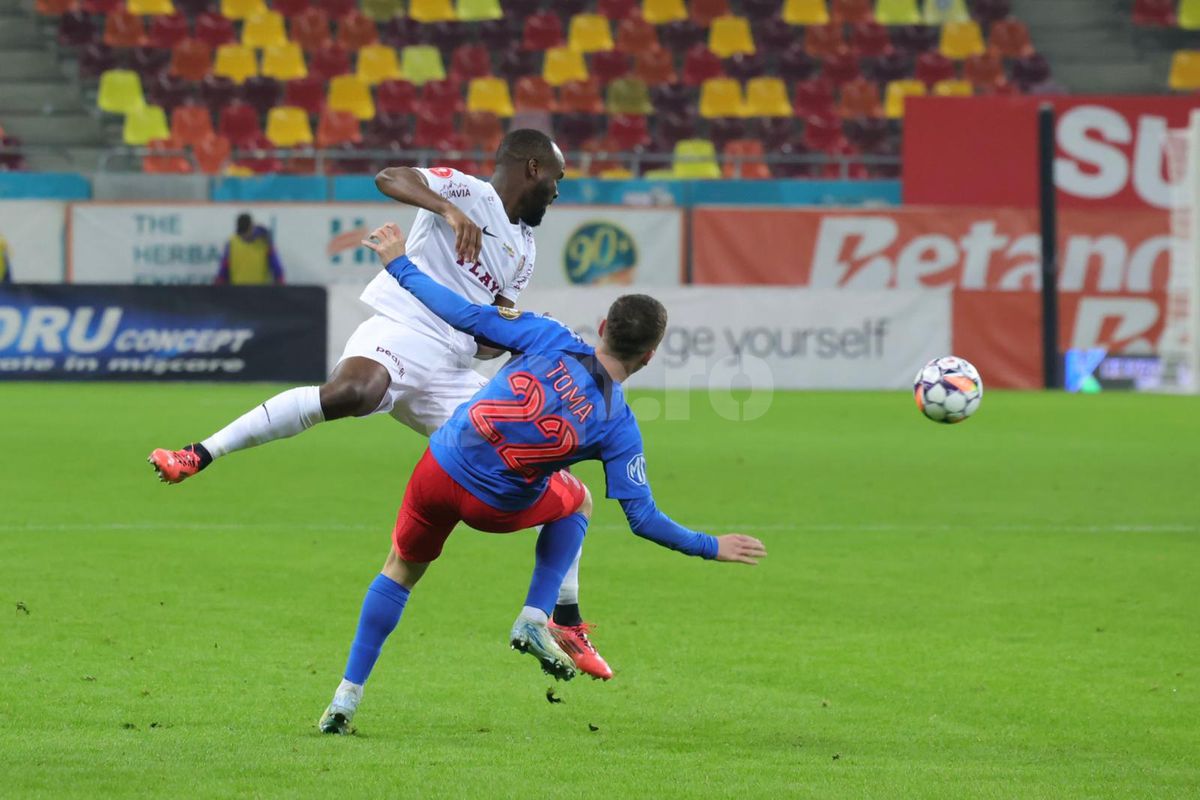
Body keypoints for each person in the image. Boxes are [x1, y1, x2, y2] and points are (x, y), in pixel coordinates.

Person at [148, 130, 615, 679]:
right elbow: (389, 177)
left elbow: (491, 332)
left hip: (451, 368)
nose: (558, 191)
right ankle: (198, 453)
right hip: (402, 329)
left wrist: (525, 338)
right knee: (352, 393)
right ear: (533, 168)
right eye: (557, 178)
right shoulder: (466, 191)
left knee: (550, 475)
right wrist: (447, 211)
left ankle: (565, 619)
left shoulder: (526, 248)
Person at [317, 223, 767, 735]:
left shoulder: (548, 335)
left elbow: (462, 314)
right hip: (494, 506)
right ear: (649, 356)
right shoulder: (619, 425)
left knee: (399, 570)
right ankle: (537, 614)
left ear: (603, 326)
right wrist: (711, 545)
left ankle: (346, 696)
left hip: (439, 469)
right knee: (579, 500)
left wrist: (399, 263)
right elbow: (643, 519)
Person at [214, 213, 285, 285]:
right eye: (242, 234)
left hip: (260, 290)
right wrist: (220, 281)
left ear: (251, 227)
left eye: (246, 233)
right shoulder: (231, 243)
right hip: (238, 290)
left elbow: (276, 265)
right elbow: (224, 268)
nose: (245, 237)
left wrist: (280, 281)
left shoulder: (264, 242)